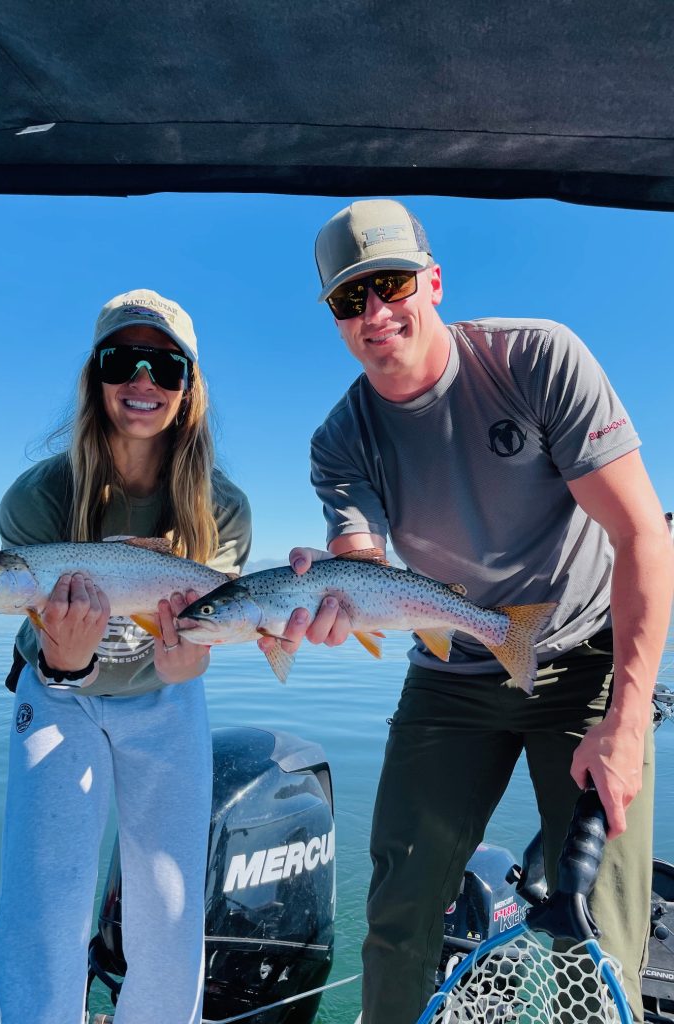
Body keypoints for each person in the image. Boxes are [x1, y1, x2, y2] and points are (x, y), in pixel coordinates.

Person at [261, 199, 674, 1023]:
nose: (377, 314)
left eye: (390, 284)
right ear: (336, 320)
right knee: (399, 910)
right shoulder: (339, 440)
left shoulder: (538, 359)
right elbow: (361, 561)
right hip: (451, 673)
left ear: (433, 281)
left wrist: (627, 723)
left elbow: (642, 534)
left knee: (601, 924)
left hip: (589, 656)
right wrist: (331, 596)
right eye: (351, 299)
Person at [0, 289, 251, 1024]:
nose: (142, 381)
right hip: (56, 688)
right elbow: (53, 657)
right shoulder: (36, 498)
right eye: (121, 359)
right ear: (95, 376)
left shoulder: (222, 508)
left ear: (187, 387)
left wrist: (184, 662)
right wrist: (66, 663)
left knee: (170, 911)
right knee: (45, 902)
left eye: (165, 366)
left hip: (167, 694)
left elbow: (197, 652)